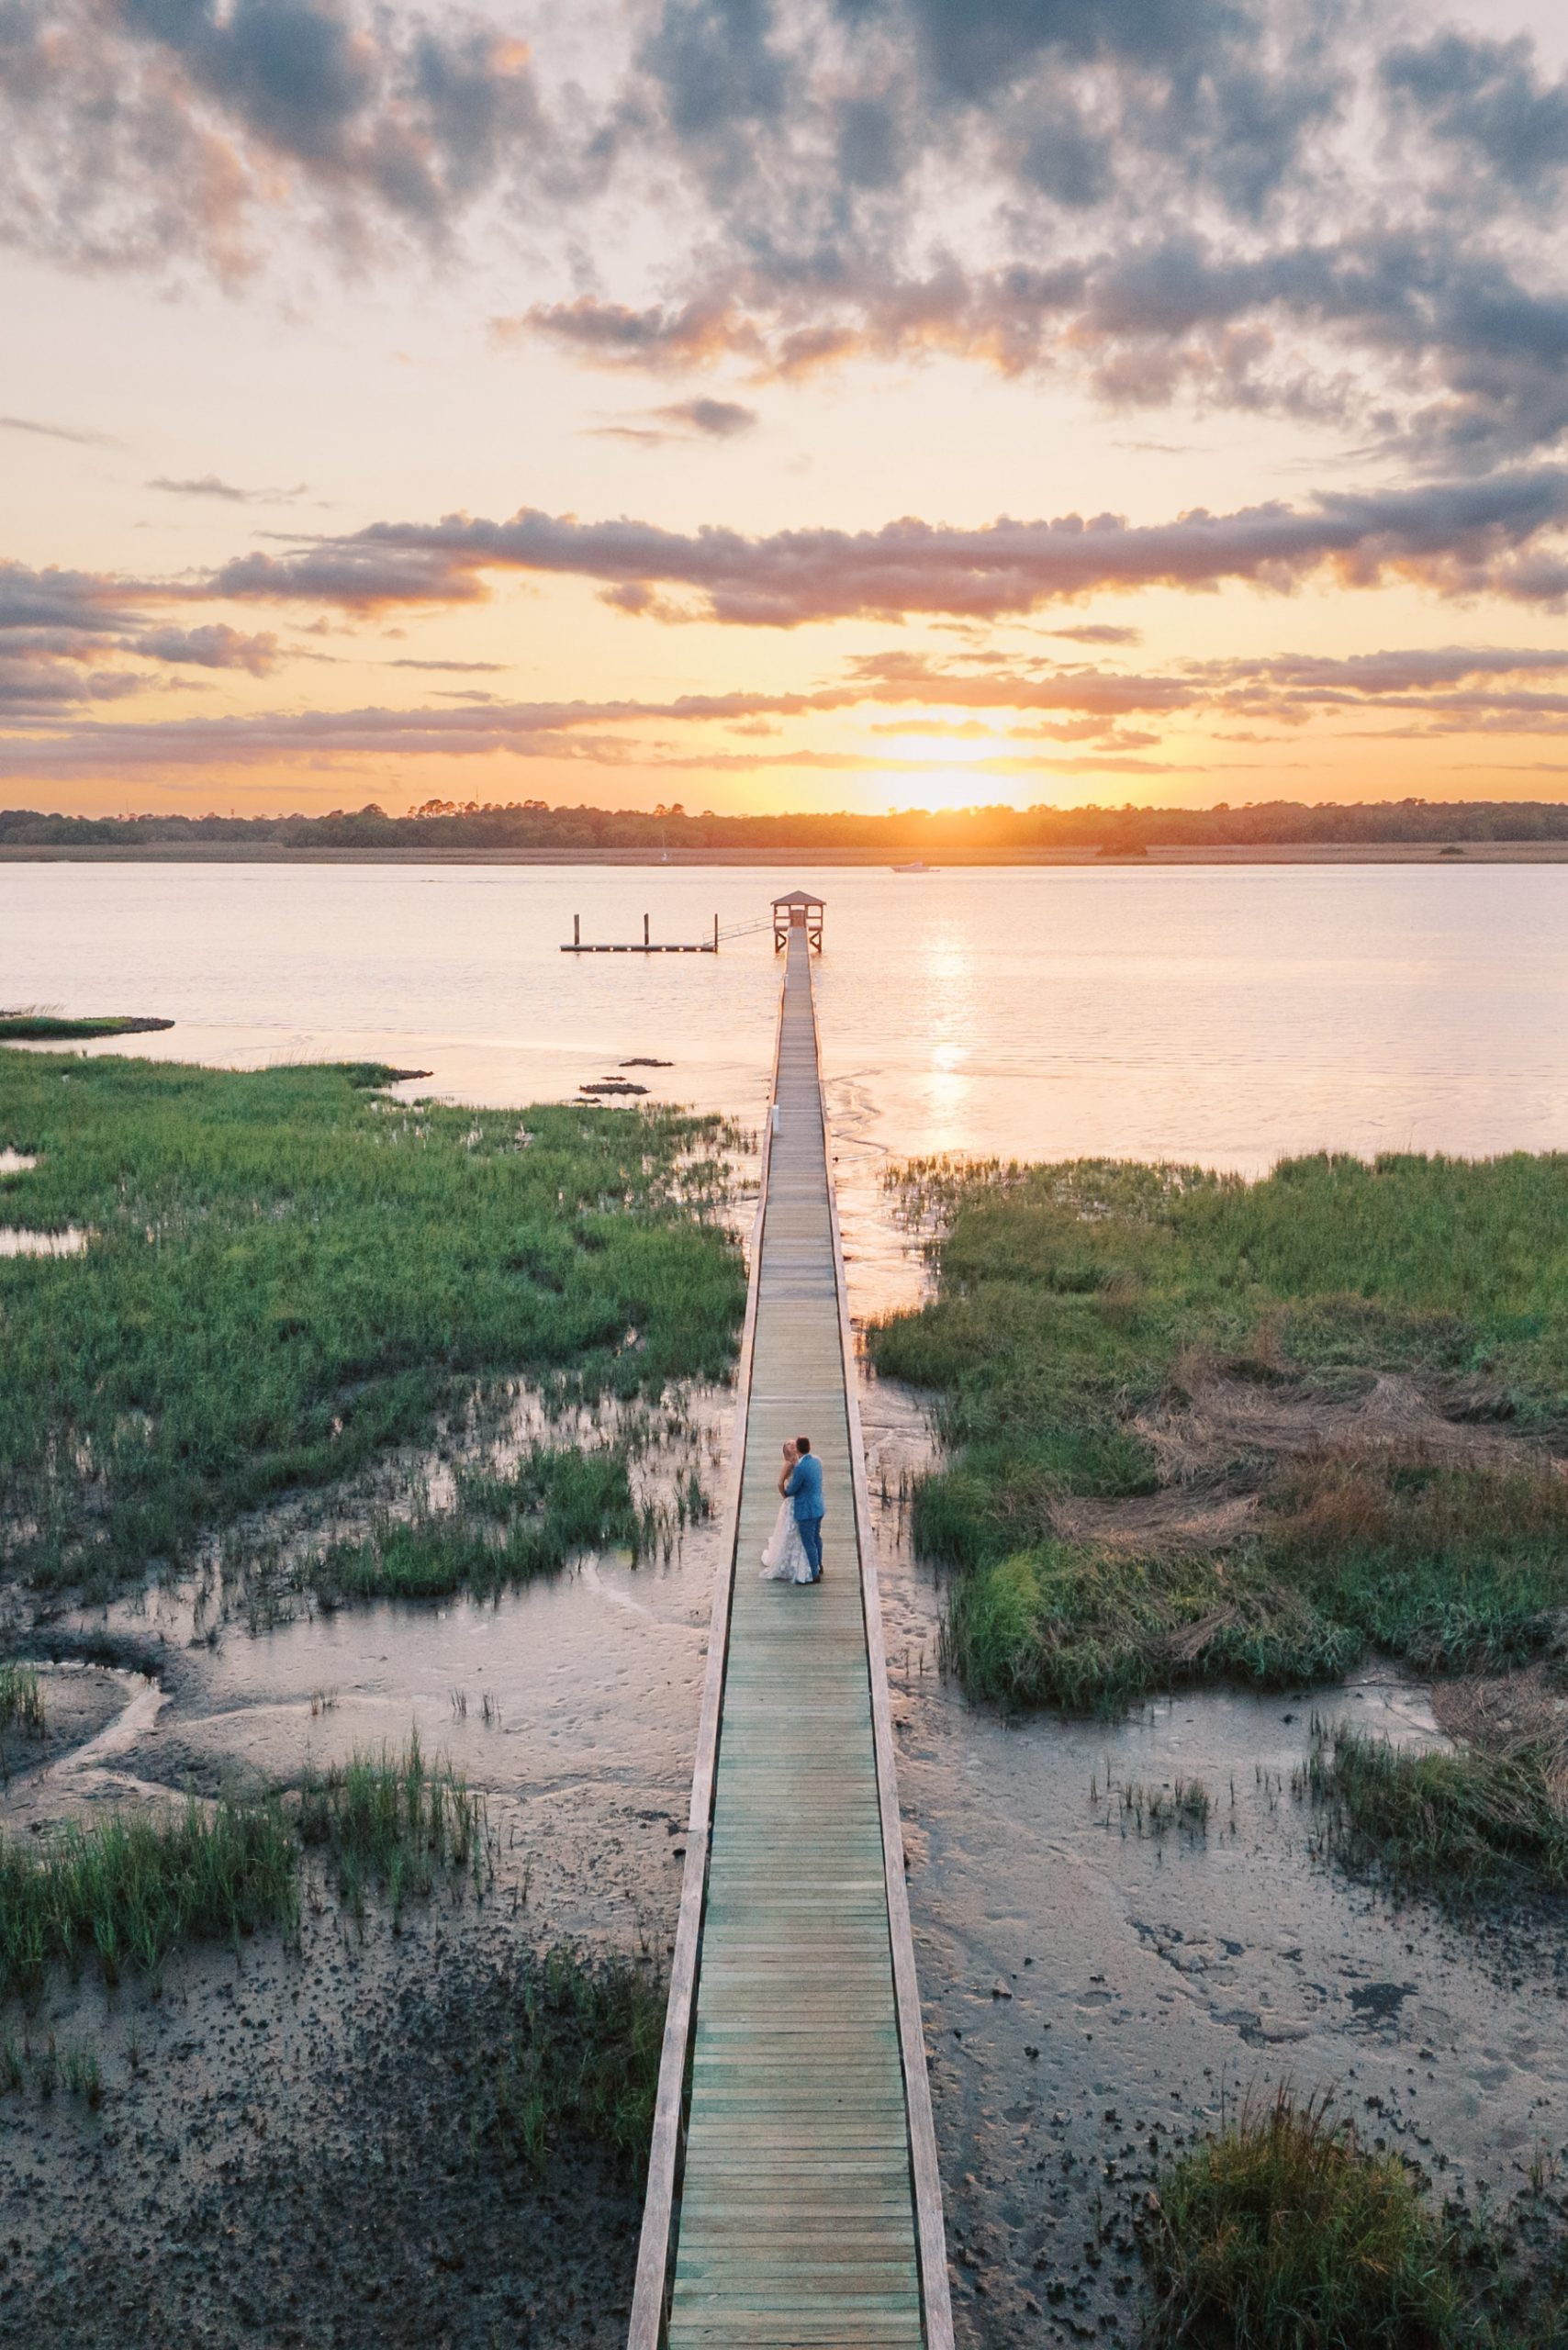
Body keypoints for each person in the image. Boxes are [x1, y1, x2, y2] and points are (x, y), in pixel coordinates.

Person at [760, 1439, 812, 1583]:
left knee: (799, 1532)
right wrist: (786, 1497)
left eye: (793, 1442)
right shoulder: (789, 1464)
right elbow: (779, 1483)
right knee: (791, 1531)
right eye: (789, 1444)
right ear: (786, 1451)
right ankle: (787, 1562)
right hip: (792, 1501)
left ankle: (799, 1561)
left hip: (801, 1501)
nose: (792, 1444)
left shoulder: (800, 1461)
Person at [783, 1433, 824, 1583]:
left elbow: (792, 1489)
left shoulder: (800, 1468)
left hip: (807, 1511)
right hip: (819, 1507)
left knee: (809, 1542)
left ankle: (815, 1574)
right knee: (817, 1537)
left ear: (798, 1450)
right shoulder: (817, 1461)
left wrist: (785, 1491)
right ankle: (819, 1564)